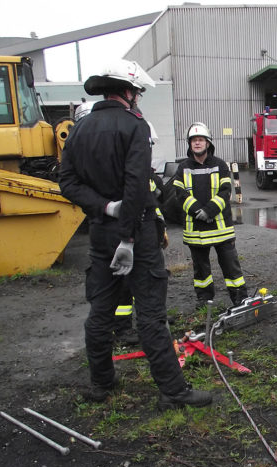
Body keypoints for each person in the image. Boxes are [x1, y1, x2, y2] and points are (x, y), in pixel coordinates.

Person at [59, 59, 212, 410]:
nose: (139, 98)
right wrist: (128, 236)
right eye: (138, 92)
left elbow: (66, 182)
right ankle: (173, 391)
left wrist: (104, 208)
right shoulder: (134, 126)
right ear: (127, 91)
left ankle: (101, 383)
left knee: (100, 313)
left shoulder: (79, 129)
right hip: (135, 233)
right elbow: (135, 186)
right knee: (151, 315)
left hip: (101, 232)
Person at [73, 100, 139, 347]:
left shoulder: (93, 145)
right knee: (116, 283)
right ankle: (118, 329)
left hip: (107, 228)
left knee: (120, 285)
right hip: (109, 228)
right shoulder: (106, 150)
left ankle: (119, 329)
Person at [173, 122, 248, 309]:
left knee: (232, 268)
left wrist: (209, 211)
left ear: (208, 143)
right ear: (189, 144)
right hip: (196, 230)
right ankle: (204, 301)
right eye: (193, 140)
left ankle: (240, 300)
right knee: (201, 271)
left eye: (200, 140)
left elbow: (225, 191)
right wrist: (198, 210)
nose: (197, 143)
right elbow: (180, 194)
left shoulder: (220, 165)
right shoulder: (182, 167)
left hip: (220, 229)